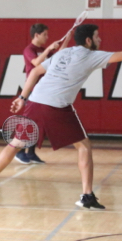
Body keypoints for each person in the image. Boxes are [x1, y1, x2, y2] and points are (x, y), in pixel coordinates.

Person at [0, 24, 122, 210]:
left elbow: (35, 71)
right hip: (56, 106)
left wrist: (22, 98)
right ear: (88, 40)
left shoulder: (63, 53)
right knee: (83, 146)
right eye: (97, 36)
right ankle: (87, 196)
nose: (100, 39)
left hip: (34, 102)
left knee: (16, 144)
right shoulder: (91, 56)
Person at [15, 23, 71, 164]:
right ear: (37, 35)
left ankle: (31, 153)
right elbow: (35, 63)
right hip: (32, 91)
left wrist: (67, 39)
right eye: (45, 34)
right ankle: (20, 152)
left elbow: (59, 55)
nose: (47, 37)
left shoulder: (43, 50)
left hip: (43, 92)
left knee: (39, 124)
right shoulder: (29, 49)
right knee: (29, 123)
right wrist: (48, 50)